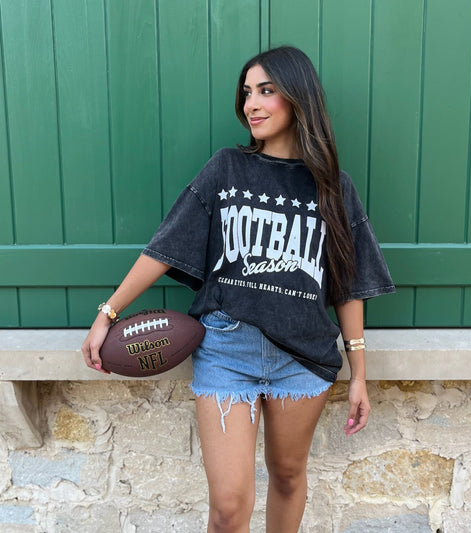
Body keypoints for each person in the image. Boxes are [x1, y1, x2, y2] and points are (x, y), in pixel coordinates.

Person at [82, 46, 394, 533]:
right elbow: (165, 247)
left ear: (298, 97)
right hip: (227, 350)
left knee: (287, 476)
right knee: (228, 508)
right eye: (247, 93)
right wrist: (108, 312)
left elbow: (347, 285)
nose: (252, 104)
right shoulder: (226, 169)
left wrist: (359, 374)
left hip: (302, 359)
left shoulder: (334, 188)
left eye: (266, 91)